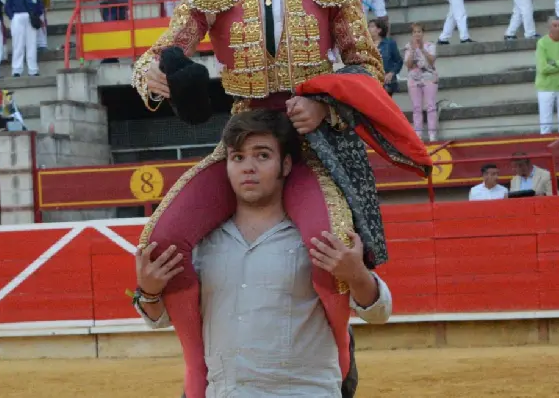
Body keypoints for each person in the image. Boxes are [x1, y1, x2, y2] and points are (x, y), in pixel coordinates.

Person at [130, 0, 431, 397]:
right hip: (244, 143)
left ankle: (339, 363)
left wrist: (325, 105)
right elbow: (158, 56)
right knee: (162, 242)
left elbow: (367, 65)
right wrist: (165, 77)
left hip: (313, 145)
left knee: (334, 243)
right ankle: (197, 377)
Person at [133, 110, 392, 396]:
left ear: (286, 165)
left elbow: (379, 313)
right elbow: (159, 319)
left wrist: (356, 276)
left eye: (263, 155)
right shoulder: (203, 241)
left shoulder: (314, 237)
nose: (248, 167)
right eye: (238, 157)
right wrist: (149, 292)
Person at [4, 0, 43, 78]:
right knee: (18, 44)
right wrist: (13, 16)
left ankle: (33, 69)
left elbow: (39, 5)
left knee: (31, 43)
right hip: (17, 17)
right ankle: (17, 69)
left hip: (30, 17)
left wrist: (36, 15)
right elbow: (7, 6)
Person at [404, 23, 438, 141]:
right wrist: (413, 50)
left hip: (429, 77)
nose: (417, 34)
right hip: (414, 78)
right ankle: (418, 134)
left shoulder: (430, 45)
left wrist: (422, 48)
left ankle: (432, 134)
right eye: (414, 32)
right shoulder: (408, 46)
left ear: (423, 33)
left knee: (430, 106)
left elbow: (432, 61)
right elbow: (408, 65)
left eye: (419, 32)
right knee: (417, 107)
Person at [369, 19, 402, 96]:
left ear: (379, 30)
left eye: (372, 26)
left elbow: (399, 61)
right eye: (368, 26)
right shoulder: (367, 45)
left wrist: (391, 73)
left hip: (386, 81)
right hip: (371, 81)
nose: (368, 29)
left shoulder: (390, 43)